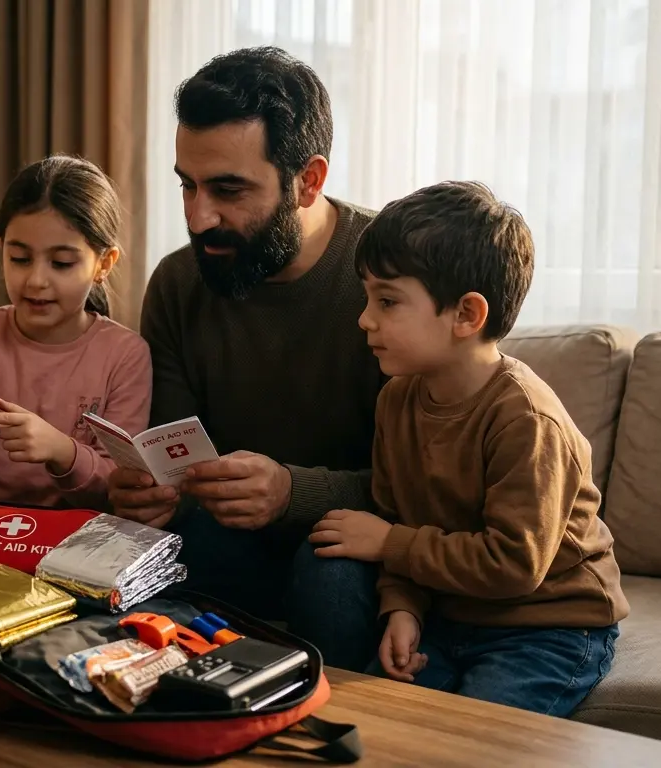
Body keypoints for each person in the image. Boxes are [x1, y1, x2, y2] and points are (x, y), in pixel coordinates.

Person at [105, 46, 386, 670]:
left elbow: (434, 487)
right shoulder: (179, 283)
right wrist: (149, 493)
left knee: (330, 573)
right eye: (187, 185)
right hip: (229, 538)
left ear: (308, 181)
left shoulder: (393, 277)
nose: (199, 217)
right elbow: (172, 459)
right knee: (160, 559)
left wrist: (292, 492)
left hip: (358, 541)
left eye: (228, 190)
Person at [308, 180, 628, 715]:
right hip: (453, 617)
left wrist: (389, 545)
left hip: (548, 627)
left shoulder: (526, 419)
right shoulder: (397, 401)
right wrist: (403, 609)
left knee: (473, 737)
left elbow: (512, 564)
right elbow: (400, 516)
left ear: (466, 315)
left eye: (387, 301)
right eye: (368, 298)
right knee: (376, 722)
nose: (364, 318)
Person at [0, 154, 151, 510]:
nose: (36, 280)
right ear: (1, 249)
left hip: (80, 539)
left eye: (61, 263)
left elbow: (122, 488)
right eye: (20, 259)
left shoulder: (125, 355)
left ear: (103, 264)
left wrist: (63, 452)